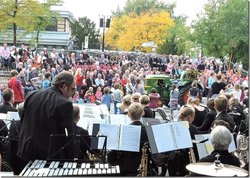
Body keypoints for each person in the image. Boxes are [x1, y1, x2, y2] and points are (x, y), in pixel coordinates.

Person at [17, 72, 76, 164]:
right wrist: (71, 159)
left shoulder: (31, 95)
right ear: (64, 86)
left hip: (27, 150)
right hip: (50, 155)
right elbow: (68, 135)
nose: (72, 93)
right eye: (72, 89)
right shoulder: (65, 103)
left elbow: (23, 120)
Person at [109, 102, 148, 176]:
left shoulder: (123, 130)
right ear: (142, 113)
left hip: (124, 167)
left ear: (128, 114)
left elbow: (114, 153)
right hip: (141, 167)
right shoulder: (148, 130)